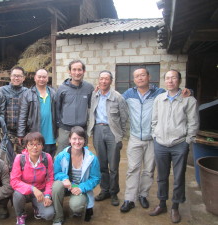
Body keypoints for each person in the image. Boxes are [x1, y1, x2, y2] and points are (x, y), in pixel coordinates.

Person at [120, 67, 191, 213]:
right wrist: (99, 91)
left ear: (149, 77)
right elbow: (115, 99)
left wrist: (189, 91)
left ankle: (143, 195)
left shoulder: (159, 93)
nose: (140, 78)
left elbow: (175, 93)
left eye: (143, 75)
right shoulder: (128, 94)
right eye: (137, 76)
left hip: (153, 139)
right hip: (134, 138)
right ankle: (129, 199)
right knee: (133, 169)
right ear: (134, 80)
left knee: (149, 170)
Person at [149, 69, 199, 223]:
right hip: (160, 143)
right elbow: (154, 120)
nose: (170, 81)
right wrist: (155, 135)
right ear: (164, 81)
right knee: (161, 176)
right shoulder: (159, 99)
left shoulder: (188, 100)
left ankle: (175, 207)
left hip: (179, 144)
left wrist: (187, 141)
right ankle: (162, 203)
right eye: (168, 78)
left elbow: (193, 122)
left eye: (174, 78)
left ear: (179, 80)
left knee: (178, 177)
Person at [87, 70, 128, 207]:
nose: (103, 81)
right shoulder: (94, 95)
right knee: (102, 164)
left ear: (111, 81)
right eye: (101, 79)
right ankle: (104, 190)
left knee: (114, 166)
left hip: (112, 131)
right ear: (98, 81)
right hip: (98, 130)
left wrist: (120, 136)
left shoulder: (118, 97)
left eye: (106, 79)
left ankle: (114, 192)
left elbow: (124, 118)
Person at [52, 126, 100, 225]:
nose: (77, 142)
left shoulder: (91, 158)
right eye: (74, 139)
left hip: (79, 188)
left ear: (84, 140)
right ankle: (58, 217)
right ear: (69, 140)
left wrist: (81, 188)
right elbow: (56, 173)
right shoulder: (61, 155)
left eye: (80, 139)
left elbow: (95, 178)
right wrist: (64, 178)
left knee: (76, 206)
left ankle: (78, 207)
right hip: (66, 185)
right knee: (56, 186)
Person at [10, 132, 54, 225]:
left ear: (42, 146)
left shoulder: (47, 158)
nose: (35, 147)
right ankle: (20, 215)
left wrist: (47, 195)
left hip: (40, 191)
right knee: (17, 195)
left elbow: (50, 179)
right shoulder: (19, 158)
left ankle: (36, 207)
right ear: (26, 146)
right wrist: (32, 189)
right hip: (25, 192)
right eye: (31, 144)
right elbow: (14, 181)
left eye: (38, 144)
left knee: (49, 214)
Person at [55, 60, 94, 155]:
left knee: (82, 156)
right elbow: (57, 108)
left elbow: (91, 106)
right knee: (62, 155)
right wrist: (59, 125)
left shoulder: (89, 88)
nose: (77, 73)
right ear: (69, 71)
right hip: (65, 130)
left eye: (79, 70)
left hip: (81, 129)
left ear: (84, 71)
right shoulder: (62, 89)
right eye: (74, 70)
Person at [18, 69, 57, 157]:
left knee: (49, 160)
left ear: (47, 79)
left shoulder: (53, 93)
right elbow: (22, 115)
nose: (41, 79)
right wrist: (21, 134)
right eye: (39, 77)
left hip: (50, 135)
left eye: (44, 77)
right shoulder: (27, 94)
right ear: (35, 78)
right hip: (34, 133)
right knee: (34, 160)